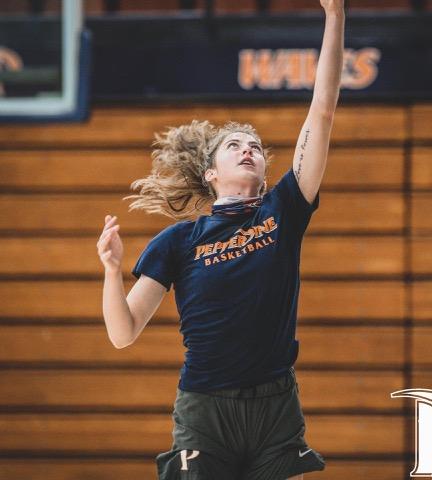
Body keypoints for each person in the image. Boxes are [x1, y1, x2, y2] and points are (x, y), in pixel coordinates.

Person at [97, 1, 344, 478]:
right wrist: (111, 271)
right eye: (235, 145)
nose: (248, 149)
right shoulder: (178, 241)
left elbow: (324, 110)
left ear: (266, 174)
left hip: (276, 407)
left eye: (254, 146)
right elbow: (122, 333)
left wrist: (334, 17)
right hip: (205, 411)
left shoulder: (284, 210)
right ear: (212, 173)